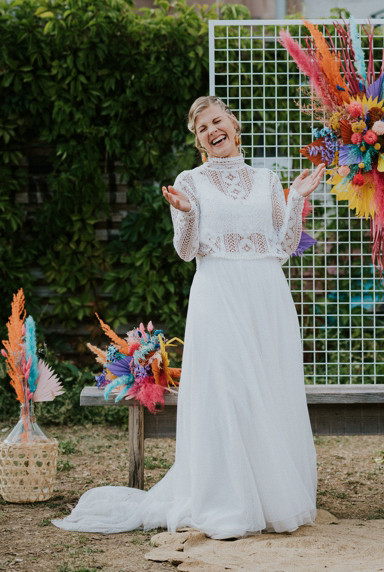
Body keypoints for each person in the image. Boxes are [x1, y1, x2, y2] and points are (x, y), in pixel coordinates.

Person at [55, 96, 325, 540]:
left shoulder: (267, 179)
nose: (211, 130)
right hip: (218, 295)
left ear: (234, 125)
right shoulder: (190, 182)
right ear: (199, 141)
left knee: (268, 390)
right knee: (228, 393)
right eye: (201, 128)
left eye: (217, 121)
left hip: (267, 297)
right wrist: (185, 214)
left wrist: (295, 198)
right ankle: (228, 502)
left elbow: (282, 245)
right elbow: (185, 251)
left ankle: (270, 497)